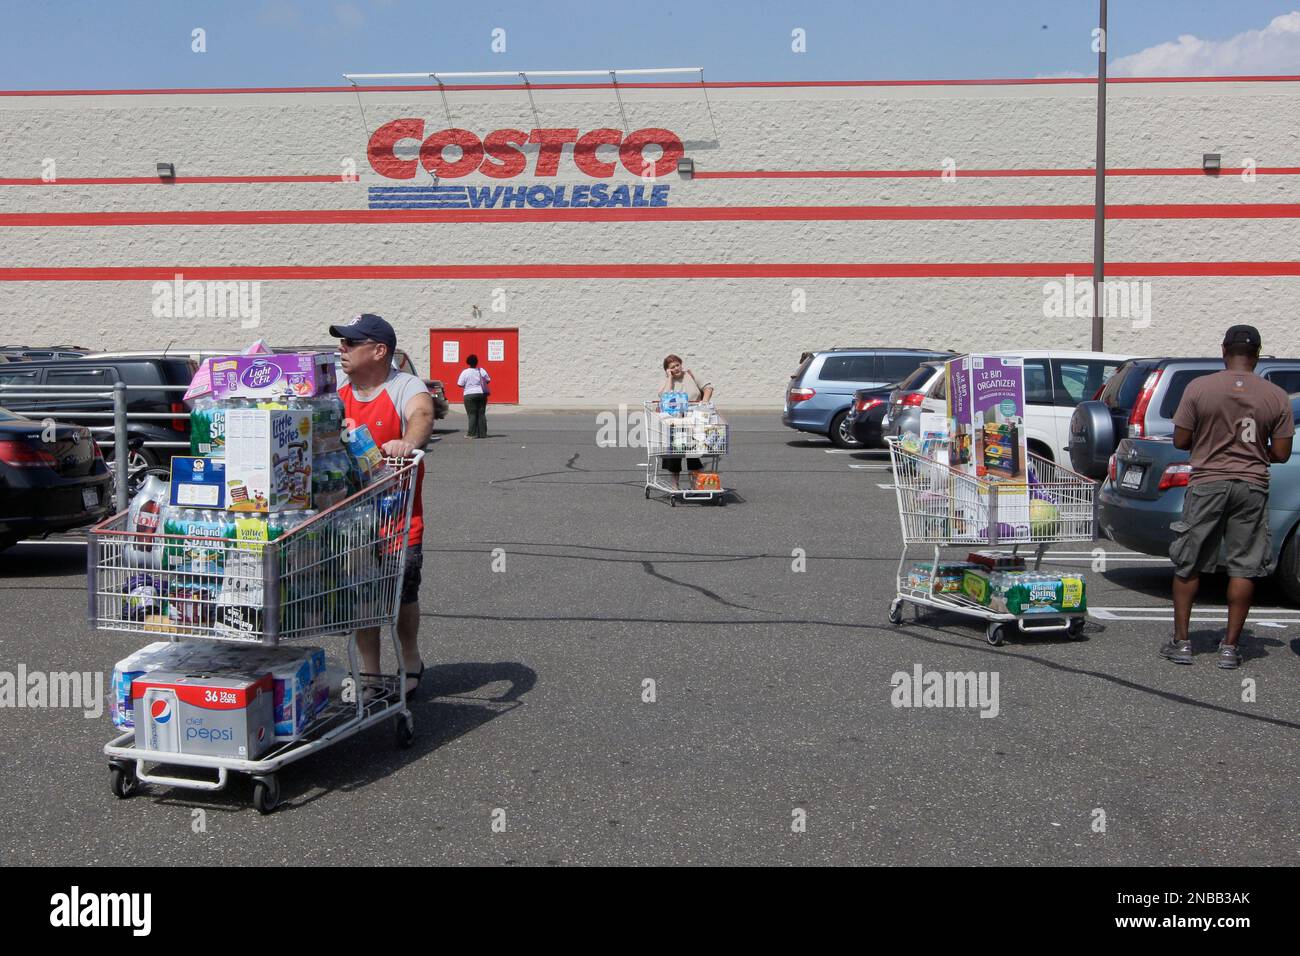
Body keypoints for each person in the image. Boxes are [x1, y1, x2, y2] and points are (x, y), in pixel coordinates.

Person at [1161, 325, 1294, 669]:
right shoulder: (1275, 395)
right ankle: (1231, 649)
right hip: (1251, 485)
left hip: (1207, 482)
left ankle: (1182, 642)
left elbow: (1179, 440)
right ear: (1258, 355)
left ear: (1224, 350)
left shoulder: (1199, 387)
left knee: (1189, 562)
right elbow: (1280, 453)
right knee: (1244, 567)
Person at [328, 313, 435, 696]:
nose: (341, 349)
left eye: (350, 343)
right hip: (349, 519)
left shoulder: (404, 386)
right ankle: (371, 675)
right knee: (362, 594)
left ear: (378, 350)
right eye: (341, 343)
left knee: (401, 592)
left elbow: (422, 415)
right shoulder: (336, 390)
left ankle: (410, 656)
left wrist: (410, 441)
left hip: (397, 517)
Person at [659, 354, 714, 488]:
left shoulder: (690, 375)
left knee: (693, 451)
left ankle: (695, 483)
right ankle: (675, 484)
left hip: (695, 418)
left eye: (678, 365)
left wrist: (704, 403)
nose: (677, 368)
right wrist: (670, 378)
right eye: (672, 367)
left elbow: (708, 387)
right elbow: (664, 397)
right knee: (676, 451)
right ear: (668, 370)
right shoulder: (668, 382)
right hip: (676, 421)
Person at [458, 354, 490, 439]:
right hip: (481, 394)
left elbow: (460, 384)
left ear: (468, 362)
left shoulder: (465, 372)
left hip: (469, 394)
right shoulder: (481, 370)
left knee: (472, 414)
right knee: (481, 414)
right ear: (477, 362)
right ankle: (483, 434)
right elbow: (488, 380)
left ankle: (472, 434)